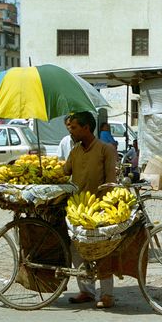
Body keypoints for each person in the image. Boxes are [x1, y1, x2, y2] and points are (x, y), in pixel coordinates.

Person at [63, 111, 119, 309]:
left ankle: (107, 295)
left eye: (74, 127)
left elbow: (111, 182)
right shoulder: (75, 150)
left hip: (100, 210)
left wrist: (107, 209)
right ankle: (86, 291)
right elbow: (64, 172)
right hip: (77, 209)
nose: (70, 130)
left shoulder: (106, 149)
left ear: (86, 128)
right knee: (78, 251)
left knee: (102, 253)